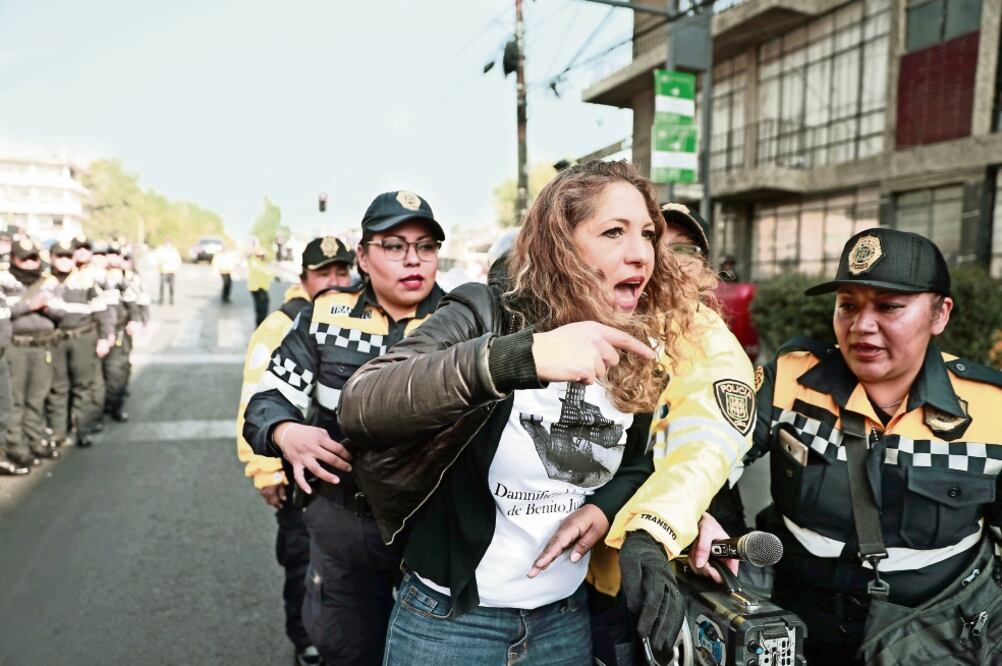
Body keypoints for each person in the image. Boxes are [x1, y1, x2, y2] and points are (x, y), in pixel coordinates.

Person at [336, 161, 708, 665]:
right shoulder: (485, 311)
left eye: (647, 233)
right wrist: (517, 359)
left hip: (563, 622)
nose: (640, 252)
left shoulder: (638, 340)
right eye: (614, 232)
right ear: (562, 245)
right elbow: (363, 403)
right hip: (450, 625)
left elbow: (640, 462)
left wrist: (602, 509)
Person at [697, 228, 1002, 664]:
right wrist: (716, 520)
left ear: (939, 315)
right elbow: (709, 448)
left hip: (932, 634)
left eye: (889, 307)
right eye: (848, 305)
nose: (861, 326)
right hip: (793, 622)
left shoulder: (993, 409)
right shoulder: (789, 380)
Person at [243, 191, 446, 665]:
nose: (412, 259)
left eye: (426, 246)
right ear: (363, 256)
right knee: (350, 652)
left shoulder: (467, 319)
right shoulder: (323, 317)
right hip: (345, 530)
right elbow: (266, 404)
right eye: (393, 245)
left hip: (439, 538)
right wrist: (286, 434)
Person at [584, 203, 755, 663]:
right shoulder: (593, 322)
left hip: (675, 565)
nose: (672, 259)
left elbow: (706, 443)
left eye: (687, 248)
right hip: (585, 574)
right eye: (658, 244)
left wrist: (657, 527)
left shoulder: (707, 338)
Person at [236, 236, 354, 666]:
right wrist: (265, 472)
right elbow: (257, 402)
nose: (335, 281)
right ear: (304, 278)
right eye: (324, 273)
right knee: (303, 563)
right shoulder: (280, 325)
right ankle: (305, 643)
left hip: (345, 474)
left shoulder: (358, 316)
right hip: (296, 474)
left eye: (342, 272)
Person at [0, 237, 63, 466]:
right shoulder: (5, 281)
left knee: (37, 397)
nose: (30, 264)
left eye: (34, 259)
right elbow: (5, 313)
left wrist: (48, 307)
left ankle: (35, 440)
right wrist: (29, 305)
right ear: (14, 259)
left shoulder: (47, 282)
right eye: (24, 259)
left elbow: (63, 312)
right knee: (16, 400)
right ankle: (17, 446)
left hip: (43, 345)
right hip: (17, 346)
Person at [44, 240, 113, 448]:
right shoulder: (45, 281)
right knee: (58, 387)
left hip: (82, 337)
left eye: (68, 256)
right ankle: (58, 432)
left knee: (83, 386)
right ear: (52, 258)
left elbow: (101, 310)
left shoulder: (85, 280)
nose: (64, 261)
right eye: (60, 256)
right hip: (56, 339)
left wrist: (104, 336)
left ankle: (82, 429)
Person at [247, 247, 273, 327]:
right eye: (260, 255)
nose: (262, 257)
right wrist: (272, 275)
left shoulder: (258, 262)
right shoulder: (254, 262)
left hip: (260, 288)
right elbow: (263, 272)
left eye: (263, 255)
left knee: (262, 306)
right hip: (258, 289)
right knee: (262, 308)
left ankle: (260, 325)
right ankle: (259, 326)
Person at [155, 238, 181, 305]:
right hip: (163, 271)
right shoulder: (161, 250)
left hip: (172, 271)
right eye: (166, 243)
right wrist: (158, 266)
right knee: (162, 286)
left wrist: (176, 269)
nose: (168, 244)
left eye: (169, 243)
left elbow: (178, 260)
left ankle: (171, 299)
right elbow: (157, 258)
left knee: (172, 287)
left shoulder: (174, 250)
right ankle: (161, 299)